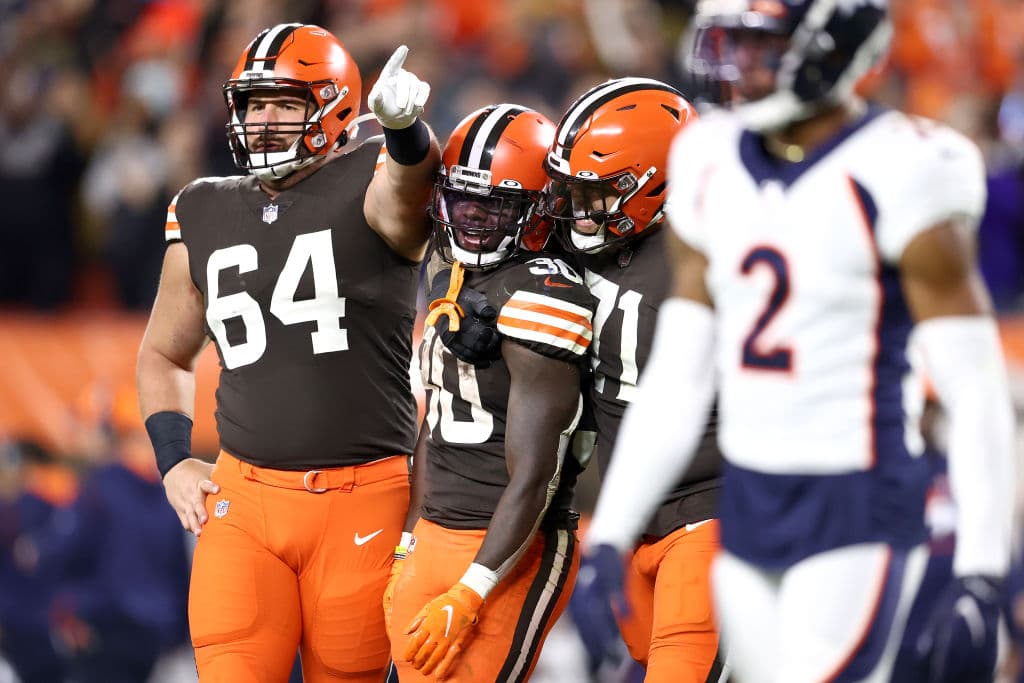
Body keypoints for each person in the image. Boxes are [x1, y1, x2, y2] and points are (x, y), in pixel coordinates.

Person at [584, 1, 1017, 682]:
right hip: (748, 499)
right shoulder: (709, 155)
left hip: (859, 499)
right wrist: (610, 531)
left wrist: (983, 571)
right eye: (732, 43)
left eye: (763, 44)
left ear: (834, 42)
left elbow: (976, 388)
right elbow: (680, 374)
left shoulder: (905, 166)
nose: (740, 65)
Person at [136, 23, 440, 682]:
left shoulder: (371, 178)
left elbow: (410, 193)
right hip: (243, 499)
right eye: (254, 103)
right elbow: (164, 353)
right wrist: (173, 460)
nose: (264, 120)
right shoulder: (202, 208)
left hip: (364, 499)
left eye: (286, 102)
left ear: (333, 106)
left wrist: (406, 131)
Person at [386, 103, 594, 682]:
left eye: (495, 203)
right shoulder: (448, 270)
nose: (474, 218)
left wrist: (474, 586)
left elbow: (537, 474)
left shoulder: (543, 295)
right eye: (463, 199)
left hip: (507, 545)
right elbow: (435, 424)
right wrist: (408, 542)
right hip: (435, 528)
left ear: (540, 206)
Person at [541, 77, 727, 682]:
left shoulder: (711, 255)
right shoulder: (583, 253)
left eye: (595, 194)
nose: (577, 211)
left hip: (708, 513)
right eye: (570, 192)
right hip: (629, 524)